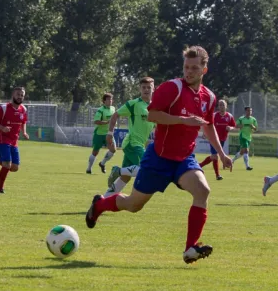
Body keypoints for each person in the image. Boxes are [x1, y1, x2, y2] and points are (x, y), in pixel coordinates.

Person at [85, 46, 233, 264]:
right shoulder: (172, 88)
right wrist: (183, 120)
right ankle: (99, 205)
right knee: (134, 204)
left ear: (204, 69)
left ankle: (190, 248)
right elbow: (152, 115)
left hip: (184, 159)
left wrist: (221, 153)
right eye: (186, 67)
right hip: (159, 158)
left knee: (202, 190)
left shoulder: (209, 97)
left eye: (194, 68)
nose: (189, 72)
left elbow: (208, 125)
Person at [104, 77, 155, 197]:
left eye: (149, 87)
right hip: (132, 143)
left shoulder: (155, 107)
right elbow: (115, 115)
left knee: (125, 177)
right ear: (140, 89)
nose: (146, 90)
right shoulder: (133, 104)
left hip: (139, 144)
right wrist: (110, 133)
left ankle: (103, 200)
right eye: (144, 87)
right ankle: (117, 170)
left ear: (154, 89)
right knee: (145, 170)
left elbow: (152, 129)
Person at [199, 99, 236, 180]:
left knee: (214, 156)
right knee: (215, 156)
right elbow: (207, 124)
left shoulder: (229, 116)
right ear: (218, 107)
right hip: (213, 138)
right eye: (220, 105)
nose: (221, 106)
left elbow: (234, 126)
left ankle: (200, 165)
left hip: (223, 139)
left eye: (223, 105)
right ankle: (217, 175)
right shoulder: (214, 115)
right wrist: (205, 133)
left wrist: (231, 128)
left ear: (226, 106)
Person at [86, 93, 116, 174]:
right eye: (108, 99)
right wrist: (107, 122)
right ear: (104, 101)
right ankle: (89, 169)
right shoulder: (100, 110)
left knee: (113, 150)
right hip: (99, 134)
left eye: (111, 99)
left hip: (109, 133)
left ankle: (102, 164)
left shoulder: (113, 108)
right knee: (95, 152)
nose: (110, 101)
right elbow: (96, 121)